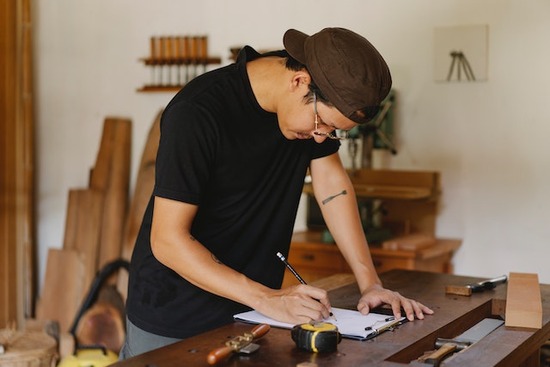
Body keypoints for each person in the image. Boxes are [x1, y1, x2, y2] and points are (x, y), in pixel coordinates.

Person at [120, 27, 433, 359]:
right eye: (320, 123)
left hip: (252, 313)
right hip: (174, 315)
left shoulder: (309, 109)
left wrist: (370, 283)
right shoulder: (198, 112)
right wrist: (267, 298)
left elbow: (333, 187)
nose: (319, 138)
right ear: (299, 82)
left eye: (331, 131)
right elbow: (168, 241)